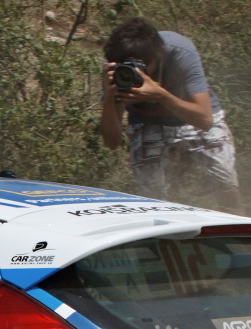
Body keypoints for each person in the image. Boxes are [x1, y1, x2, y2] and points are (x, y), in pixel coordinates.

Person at [99, 17, 243, 212]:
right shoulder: (116, 69)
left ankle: (238, 221)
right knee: (153, 195)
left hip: (191, 112)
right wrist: (109, 97)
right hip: (147, 121)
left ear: (158, 56)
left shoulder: (180, 51)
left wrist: (160, 95)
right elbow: (112, 142)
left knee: (224, 178)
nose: (134, 73)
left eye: (140, 67)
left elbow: (205, 119)